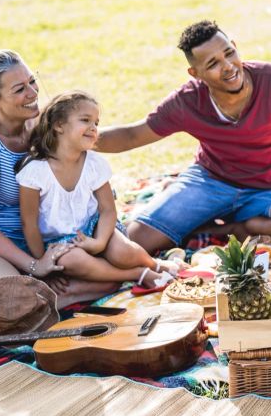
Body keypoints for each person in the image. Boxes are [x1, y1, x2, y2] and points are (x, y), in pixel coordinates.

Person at [96, 20, 271, 253]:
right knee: (136, 240)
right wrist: (78, 138)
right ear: (196, 74)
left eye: (229, 53)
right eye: (213, 64)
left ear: (236, 47)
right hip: (209, 182)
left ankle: (211, 230)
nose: (228, 67)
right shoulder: (187, 101)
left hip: (264, 190)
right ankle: (209, 217)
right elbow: (131, 135)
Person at [0, 50, 118, 312]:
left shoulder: (42, 126)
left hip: (45, 236)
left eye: (32, 81)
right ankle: (54, 295)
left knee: (117, 250)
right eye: (19, 89)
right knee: (2, 304)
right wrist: (35, 265)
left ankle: (47, 297)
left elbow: (87, 148)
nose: (33, 93)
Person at [16, 91, 182, 290]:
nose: (93, 128)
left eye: (96, 123)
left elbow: (107, 209)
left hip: (96, 228)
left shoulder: (93, 162)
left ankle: (154, 264)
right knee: (71, 261)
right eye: (85, 120)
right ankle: (138, 273)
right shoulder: (35, 172)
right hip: (59, 242)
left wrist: (100, 242)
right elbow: (29, 223)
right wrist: (43, 264)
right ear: (59, 125)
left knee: (122, 253)